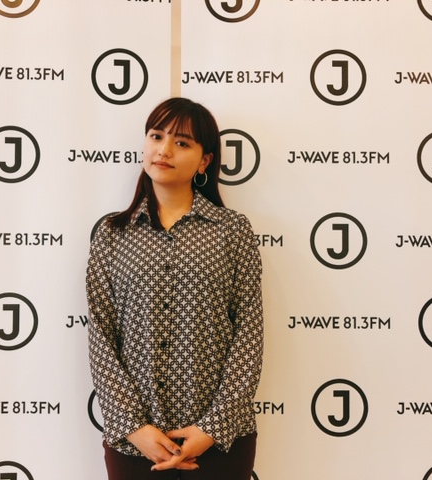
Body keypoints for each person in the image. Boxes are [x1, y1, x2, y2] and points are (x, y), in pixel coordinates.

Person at [86, 97, 263, 479]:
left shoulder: (233, 231)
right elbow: (101, 334)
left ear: (204, 161)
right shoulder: (112, 234)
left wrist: (213, 427)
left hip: (221, 442)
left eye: (182, 143)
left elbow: (248, 332)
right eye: (156, 136)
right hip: (135, 445)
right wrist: (134, 427)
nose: (164, 150)